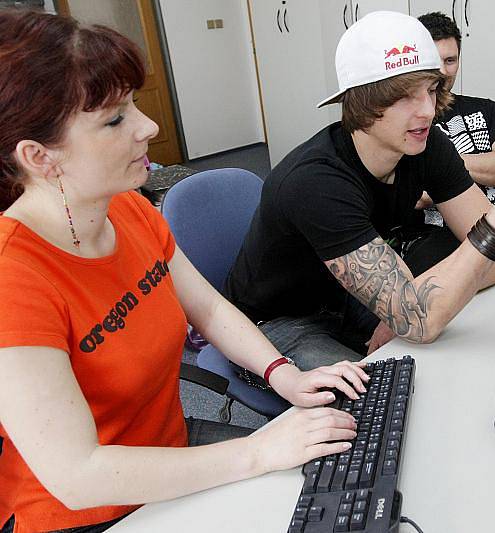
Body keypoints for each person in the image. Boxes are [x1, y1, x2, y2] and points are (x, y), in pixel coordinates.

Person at [0, 11, 367, 533]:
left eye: (133, 107)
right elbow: (77, 474)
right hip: (88, 511)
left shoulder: (126, 208)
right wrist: (256, 452)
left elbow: (210, 308)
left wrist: (284, 373)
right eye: (114, 119)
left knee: (337, 475)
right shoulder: (14, 279)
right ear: (39, 156)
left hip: (171, 451)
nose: (147, 127)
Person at [224, 11, 495, 363]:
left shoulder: (426, 147)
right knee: (363, 409)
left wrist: (404, 312)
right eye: (404, 96)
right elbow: (426, 314)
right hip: (275, 323)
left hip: (344, 293)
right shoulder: (315, 182)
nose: (428, 110)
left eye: (430, 90)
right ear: (362, 103)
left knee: (450, 359)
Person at [403, 11, 495, 274]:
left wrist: (442, 169)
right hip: (437, 236)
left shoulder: (488, 110)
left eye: (450, 60)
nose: (442, 71)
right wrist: (490, 169)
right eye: (433, 60)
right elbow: (414, 195)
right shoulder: (406, 120)